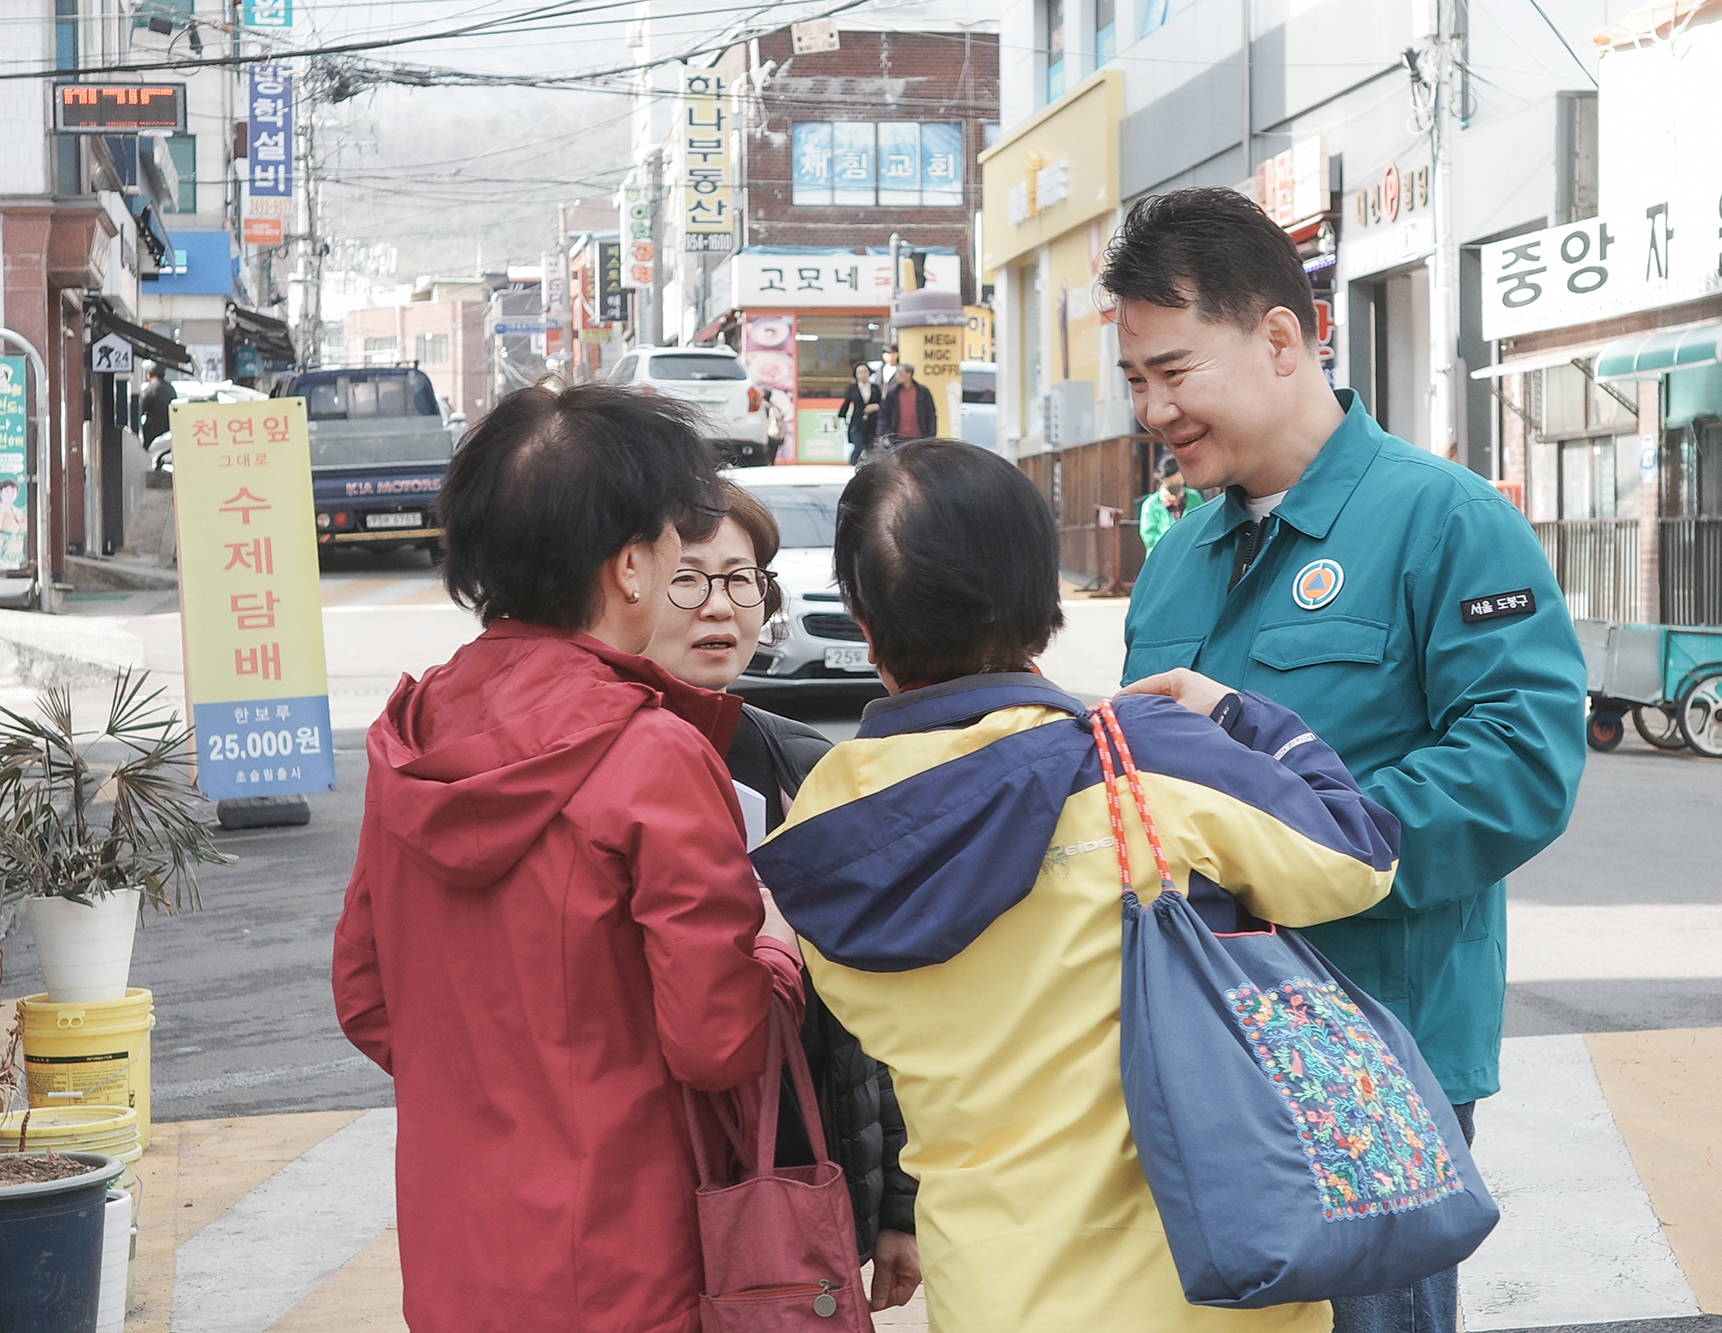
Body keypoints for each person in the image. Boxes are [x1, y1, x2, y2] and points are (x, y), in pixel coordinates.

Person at [751, 440, 1401, 1333]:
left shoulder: (820, 827)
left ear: (864, 623)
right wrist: (1244, 717)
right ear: (1042, 603)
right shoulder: (1148, 762)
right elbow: (1358, 856)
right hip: (1208, 1284)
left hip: (993, 1290)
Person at [1105, 187, 1587, 1333]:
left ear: (1280, 337)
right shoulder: (1177, 558)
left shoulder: (1445, 521)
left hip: (1372, 1054)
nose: (1150, 408)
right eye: (1133, 380)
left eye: (1172, 370)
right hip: (1195, 1049)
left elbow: (1518, 762)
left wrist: (1292, 835)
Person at [332, 383, 805, 1332]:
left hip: (456, 1249)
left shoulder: (412, 737)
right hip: (623, 1254)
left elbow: (368, 997)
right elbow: (716, 1042)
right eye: (674, 538)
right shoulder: (653, 752)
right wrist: (779, 950)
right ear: (631, 565)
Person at [643, 480, 922, 1313]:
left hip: (794, 1163)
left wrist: (898, 1203)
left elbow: (877, 1001)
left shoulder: (804, 762)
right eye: (687, 579)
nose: (719, 606)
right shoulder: (599, 768)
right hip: (653, 1166)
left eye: (742, 579)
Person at [1138, 454, 1204, 554]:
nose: (1175, 486)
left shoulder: (1194, 497)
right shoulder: (1150, 505)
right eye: (1170, 483)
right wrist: (1176, 542)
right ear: (1161, 481)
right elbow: (1149, 537)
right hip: (1161, 558)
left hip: (1191, 555)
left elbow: (1202, 525)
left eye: (1178, 481)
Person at [874, 362, 936, 445]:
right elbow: (884, 414)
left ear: (908, 374)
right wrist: (880, 433)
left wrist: (931, 434)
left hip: (919, 438)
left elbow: (930, 414)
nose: (896, 376)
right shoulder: (892, 393)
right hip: (898, 439)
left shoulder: (922, 392)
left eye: (899, 373)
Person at [836, 362, 883, 465]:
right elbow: (846, 404)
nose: (862, 374)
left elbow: (882, 403)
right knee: (858, 445)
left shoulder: (875, 388)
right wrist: (839, 417)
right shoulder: (853, 388)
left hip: (872, 422)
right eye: (859, 372)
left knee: (871, 446)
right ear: (856, 374)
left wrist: (875, 407)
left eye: (864, 371)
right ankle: (853, 464)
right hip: (858, 422)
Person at [139, 365, 175, 447]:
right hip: (168, 428)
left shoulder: (150, 389)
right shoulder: (170, 388)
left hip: (152, 429)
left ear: (150, 376)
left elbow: (141, 408)